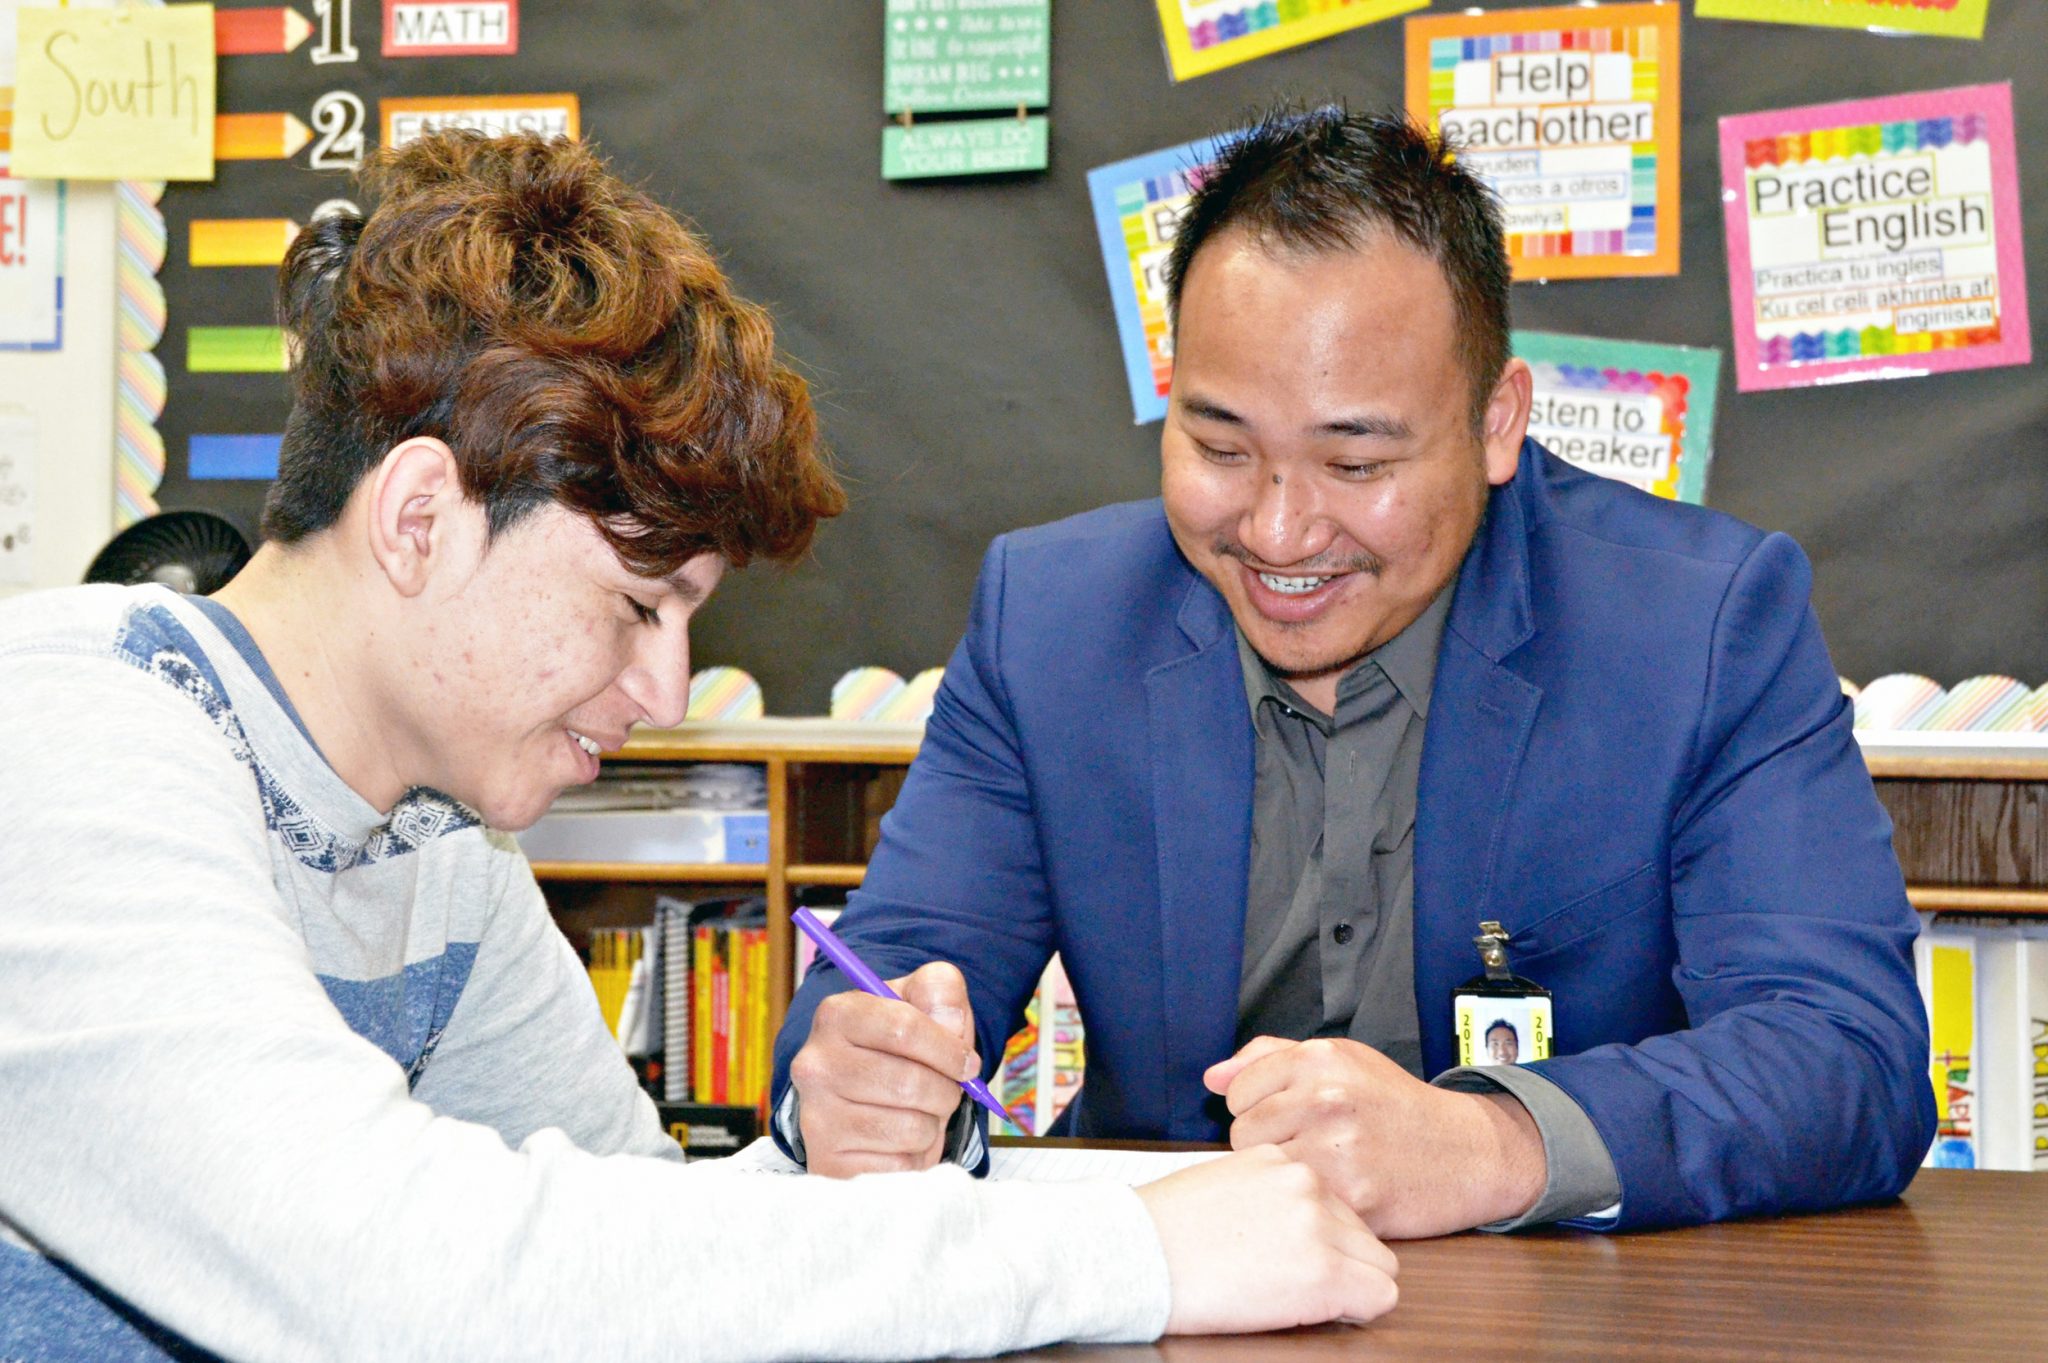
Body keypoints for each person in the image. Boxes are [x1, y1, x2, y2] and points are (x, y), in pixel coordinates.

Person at [0, 132, 1402, 1363]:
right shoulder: (64, 737)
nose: (662, 684)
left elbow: (633, 1241)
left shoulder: (438, 846)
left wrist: (834, 1150)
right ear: (421, 517)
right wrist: (1132, 1254)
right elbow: (370, 1266)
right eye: (632, 603)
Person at [772, 106, 1935, 1238]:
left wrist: (1486, 1146)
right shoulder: (1052, 621)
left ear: (1495, 421)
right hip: (1165, 1294)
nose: (1277, 533)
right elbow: (887, 976)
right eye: (1220, 448)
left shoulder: (1700, 626)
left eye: (1353, 457)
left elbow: (1845, 1055)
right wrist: (850, 1078)